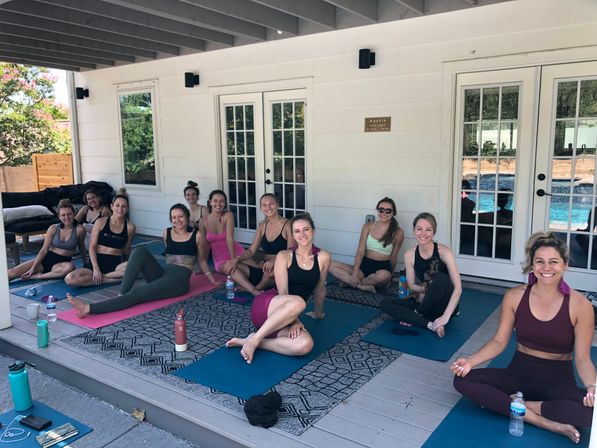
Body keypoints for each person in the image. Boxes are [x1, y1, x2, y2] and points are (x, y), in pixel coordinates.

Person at [451, 232, 595, 444]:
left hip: (557, 381)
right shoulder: (515, 296)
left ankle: (523, 406)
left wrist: (592, 386)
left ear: (565, 264)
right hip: (518, 374)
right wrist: (470, 361)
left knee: (593, 412)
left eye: (553, 262)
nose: (546, 268)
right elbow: (499, 342)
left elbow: (582, 358)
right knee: (462, 381)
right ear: (532, 265)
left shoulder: (580, 305)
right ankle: (546, 422)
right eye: (540, 262)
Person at [68, 204, 218, 317]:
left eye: (180, 216)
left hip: (179, 280)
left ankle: (88, 309)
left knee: (138, 292)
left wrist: (212, 279)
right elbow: (169, 255)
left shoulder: (197, 235)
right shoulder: (166, 232)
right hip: (164, 273)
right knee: (139, 251)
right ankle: (122, 294)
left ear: (187, 217)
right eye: (174, 217)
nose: (177, 220)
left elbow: (202, 260)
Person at [226, 213, 331, 364]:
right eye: (297, 231)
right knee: (299, 302)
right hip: (269, 306)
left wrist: (319, 314)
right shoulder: (284, 256)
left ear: (313, 231)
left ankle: (251, 340)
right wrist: (295, 321)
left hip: (286, 317)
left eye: (306, 229)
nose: (302, 234)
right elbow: (283, 293)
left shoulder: (324, 257)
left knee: (305, 345)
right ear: (293, 235)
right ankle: (256, 339)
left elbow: (320, 288)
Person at [380, 212, 462, 337]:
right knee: (385, 303)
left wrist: (445, 317)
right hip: (425, 302)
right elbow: (412, 285)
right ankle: (431, 325)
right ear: (414, 231)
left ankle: (416, 315)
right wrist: (427, 290)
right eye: (419, 229)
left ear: (433, 232)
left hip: (444, 305)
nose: (423, 233)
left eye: (428, 229)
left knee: (441, 278)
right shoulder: (409, 254)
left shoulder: (444, 252)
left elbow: (458, 288)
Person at [222, 193, 295, 296]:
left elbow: (291, 251)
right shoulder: (262, 226)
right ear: (261, 207)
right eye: (264, 205)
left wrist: (275, 261)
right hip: (264, 267)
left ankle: (255, 289)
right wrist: (236, 259)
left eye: (271, 204)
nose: (268, 207)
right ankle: (255, 290)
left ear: (277, 205)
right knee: (229, 266)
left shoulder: (287, 225)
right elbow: (251, 250)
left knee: (270, 272)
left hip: (281, 269)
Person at [329, 197, 404, 293]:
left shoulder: (398, 232)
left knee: (384, 276)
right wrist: (355, 273)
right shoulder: (368, 226)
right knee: (330, 265)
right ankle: (362, 286)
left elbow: (393, 257)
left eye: (388, 211)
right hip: (364, 266)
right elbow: (360, 251)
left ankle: (350, 283)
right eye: (381, 210)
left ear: (393, 213)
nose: (384, 213)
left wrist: (391, 276)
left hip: (382, 268)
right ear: (378, 210)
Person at [65, 189, 135, 286]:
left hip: (115, 265)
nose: (120, 209)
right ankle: (111, 279)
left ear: (127, 209)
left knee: (135, 265)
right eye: (117, 205)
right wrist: (96, 269)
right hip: (96, 263)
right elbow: (92, 247)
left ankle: (101, 279)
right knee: (70, 279)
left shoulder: (130, 227)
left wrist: (129, 266)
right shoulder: (101, 222)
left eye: (124, 206)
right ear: (112, 206)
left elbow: (126, 249)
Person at [8, 199, 86, 281]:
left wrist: (85, 263)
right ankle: (39, 273)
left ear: (74, 214)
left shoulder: (80, 230)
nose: (67, 217)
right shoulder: (53, 228)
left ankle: (39, 276)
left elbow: (81, 247)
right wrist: (33, 268)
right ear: (59, 217)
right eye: (63, 215)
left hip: (62, 265)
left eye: (69, 214)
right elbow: (44, 250)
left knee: (70, 267)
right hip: (45, 260)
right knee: (12, 273)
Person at [199, 189, 244, 274]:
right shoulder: (203, 221)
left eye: (222, 201)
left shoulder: (228, 215)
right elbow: (204, 245)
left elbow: (230, 239)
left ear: (225, 203)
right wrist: (203, 266)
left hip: (235, 252)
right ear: (210, 202)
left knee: (255, 270)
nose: (218, 204)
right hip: (219, 258)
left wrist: (233, 260)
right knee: (236, 273)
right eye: (215, 201)